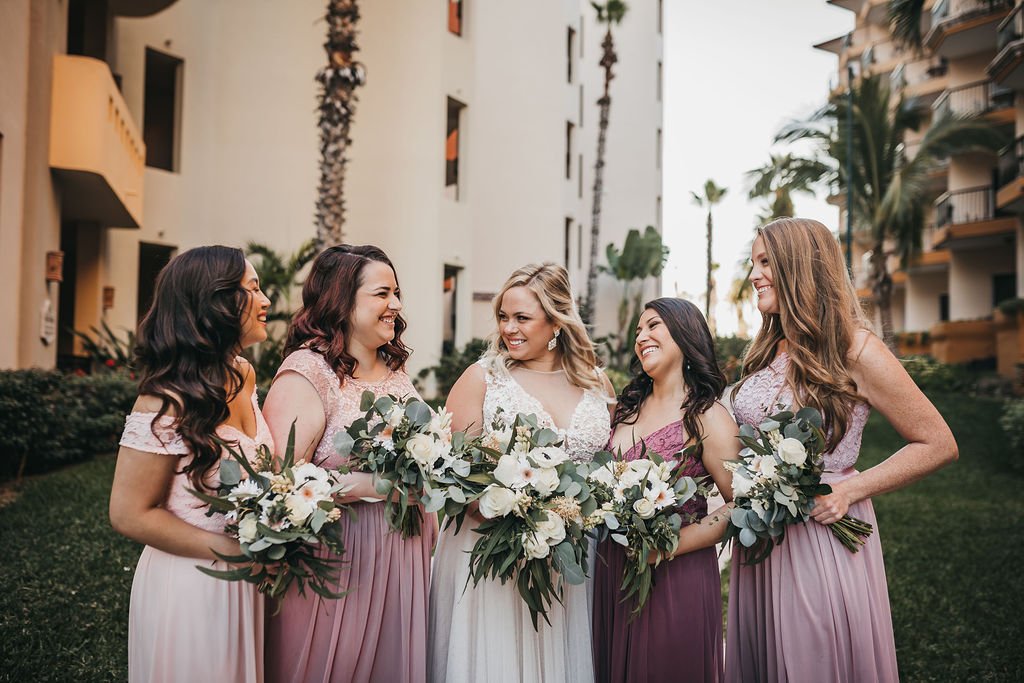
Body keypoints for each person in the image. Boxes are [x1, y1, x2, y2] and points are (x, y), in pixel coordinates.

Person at [725, 217, 959, 682]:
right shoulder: (767, 350)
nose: (754, 275)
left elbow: (938, 443)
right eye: (754, 263)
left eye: (766, 262)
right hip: (761, 538)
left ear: (801, 267)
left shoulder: (856, 349)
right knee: (765, 656)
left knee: (813, 658)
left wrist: (850, 491)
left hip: (820, 531)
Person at [428, 263, 615, 683]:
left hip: (572, 557)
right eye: (503, 316)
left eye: (522, 318)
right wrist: (514, 520)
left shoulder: (595, 383)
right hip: (494, 550)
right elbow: (456, 473)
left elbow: (609, 467)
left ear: (556, 322)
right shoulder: (484, 379)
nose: (508, 329)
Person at [262, 244, 435, 683]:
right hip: (338, 555)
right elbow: (278, 484)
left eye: (397, 293)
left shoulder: (395, 371)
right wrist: (372, 485)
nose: (395, 305)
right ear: (342, 298)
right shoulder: (308, 371)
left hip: (403, 551)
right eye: (382, 293)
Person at [109, 245, 272, 682]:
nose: (267, 301)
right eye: (253, 289)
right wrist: (235, 552)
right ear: (215, 302)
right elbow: (128, 513)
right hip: (189, 583)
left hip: (246, 582)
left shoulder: (244, 374)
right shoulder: (166, 399)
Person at [592, 297, 736, 683]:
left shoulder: (707, 416)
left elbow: (742, 506)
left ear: (685, 334)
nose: (642, 337)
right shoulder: (625, 408)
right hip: (613, 570)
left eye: (653, 326)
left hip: (676, 574)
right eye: (638, 330)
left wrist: (669, 545)